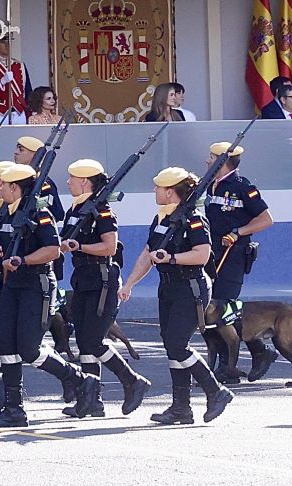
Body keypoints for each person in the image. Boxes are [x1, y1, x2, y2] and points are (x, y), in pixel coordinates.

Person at [0, 162, 94, 427]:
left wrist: (21, 259)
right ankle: (14, 409)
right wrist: (0, 253)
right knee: (6, 344)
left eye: (5, 185)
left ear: (14, 187)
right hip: (13, 286)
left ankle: (77, 378)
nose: (0, 189)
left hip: (36, 285)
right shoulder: (9, 213)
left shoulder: (40, 213)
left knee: (29, 349)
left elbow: (53, 250)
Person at [119, 167, 235, 424]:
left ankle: (216, 391)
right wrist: (130, 283)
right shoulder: (162, 218)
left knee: (177, 344)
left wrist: (172, 257)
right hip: (169, 287)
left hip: (190, 287)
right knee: (172, 346)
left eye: (158, 187)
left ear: (170, 191)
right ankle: (181, 407)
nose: (154, 191)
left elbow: (202, 254)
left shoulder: (193, 219)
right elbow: (148, 254)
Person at [58, 158, 151, 416]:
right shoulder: (75, 210)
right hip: (83, 280)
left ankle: (132, 381)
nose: (68, 182)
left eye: (72, 178)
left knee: (92, 340)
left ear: (85, 181)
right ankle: (91, 399)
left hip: (102, 281)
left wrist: (80, 247)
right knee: (84, 342)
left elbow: (109, 247)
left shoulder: (102, 210)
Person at [200, 140, 275, 382]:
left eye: (211, 158)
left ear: (222, 161)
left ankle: (232, 364)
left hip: (232, 256)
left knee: (224, 307)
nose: (207, 161)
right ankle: (256, 353)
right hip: (212, 256)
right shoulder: (210, 185)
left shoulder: (243, 187)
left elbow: (266, 219)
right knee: (214, 307)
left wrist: (238, 232)